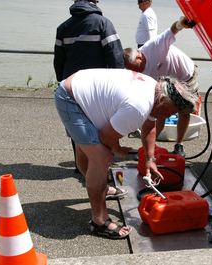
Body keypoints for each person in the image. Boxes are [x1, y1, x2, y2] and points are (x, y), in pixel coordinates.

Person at [54, 68, 197, 239]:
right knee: (102, 156)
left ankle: (101, 189)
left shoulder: (156, 90)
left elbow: (149, 127)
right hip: (71, 99)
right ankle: (99, 221)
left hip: (81, 91)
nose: (169, 116)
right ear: (164, 102)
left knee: (88, 150)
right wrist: (116, 149)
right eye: (171, 112)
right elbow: (106, 137)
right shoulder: (138, 107)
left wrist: (150, 159)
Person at [53, 0, 126, 199]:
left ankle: (83, 169)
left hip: (71, 88)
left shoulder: (63, 27)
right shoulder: (103, 23)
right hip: (97, 90)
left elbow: (58, 62)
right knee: (103, 135)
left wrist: (64, 82)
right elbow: (116, 58)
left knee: (79, 133)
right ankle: (102, 180)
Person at [124, 16, 200, 157]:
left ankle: (179, 144)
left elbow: (172, 30)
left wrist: (180, 23)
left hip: (185, 75)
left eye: (136, 68)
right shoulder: (136, 70)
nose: (136, 73)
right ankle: (150, 146)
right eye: (132, 71)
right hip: (166, 80)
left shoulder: (153, 46)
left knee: (185, 110)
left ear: (139, 57)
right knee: (159, 110)